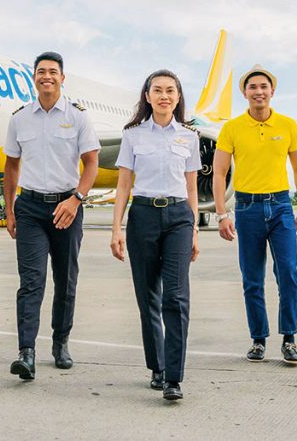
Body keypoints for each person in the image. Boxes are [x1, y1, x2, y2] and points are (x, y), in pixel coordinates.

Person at [3, 51, 100, 381]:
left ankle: (61, 342)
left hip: (67, 207)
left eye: (52, 72)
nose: (47, 76)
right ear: (34, 77)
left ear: (62, 78)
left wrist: (76, 200)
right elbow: (11, 166)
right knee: (31, 281)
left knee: (66, 280)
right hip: (29, 208)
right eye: (41, 71)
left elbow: (91, 163)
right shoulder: (20, 118)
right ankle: (26, 352)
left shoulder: (77, 117)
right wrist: (11, 209)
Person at [110, 69, 200, 401]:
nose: (164, 96)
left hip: (178, 217)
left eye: (170, 91)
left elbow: (192, 188)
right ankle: (157, 367)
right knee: (148, 297)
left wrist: (193, 231)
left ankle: (174, 377)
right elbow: (123, 185)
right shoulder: (133, 135)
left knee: (175, 297)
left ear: (178, 98)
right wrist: (116, 228)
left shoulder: (189, 137)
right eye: (157, 90)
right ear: (147, 96)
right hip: (143, 216)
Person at [212, 64, 297, 363]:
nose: (258, 92)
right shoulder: (231, 128)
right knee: (252, 279)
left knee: (288, 274)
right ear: (245, 93)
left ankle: (289, 338)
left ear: (272, 92)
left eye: (263, 87)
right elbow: (219, 172)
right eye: (252, 87)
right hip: (247, 208)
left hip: (280, 206)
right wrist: (221, 214)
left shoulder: (288, 125)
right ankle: (258, 339)